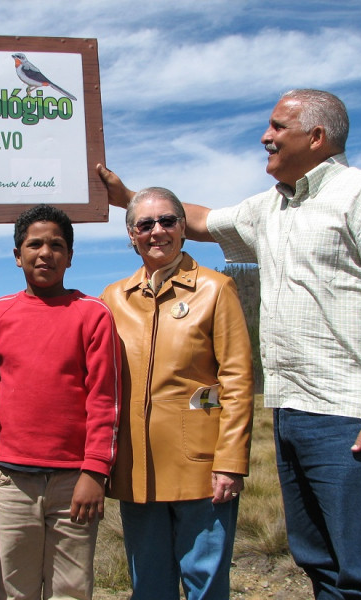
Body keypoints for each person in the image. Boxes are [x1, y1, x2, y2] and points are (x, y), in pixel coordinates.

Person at [97, 88, 361, 599]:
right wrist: (129, 197)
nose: (266, 136)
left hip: (352, 415)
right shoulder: (270, 209)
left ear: (318, 136)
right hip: (290, 412)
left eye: (278, 127)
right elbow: (197, 220)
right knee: (321, 565)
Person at [100, 186, 254, 600]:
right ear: (131, 234)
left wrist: (231, 462)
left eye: (167, 221)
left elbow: (237, 380)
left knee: (205, 586)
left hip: (203, 470)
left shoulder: (216, 289)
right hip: (136, 470)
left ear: (183, 228)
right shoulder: (112, 298)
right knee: (149, 587)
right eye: (145, 224)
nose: (157, 231)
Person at [0, 204, 121, 600]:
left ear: (70, 256)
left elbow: (105, 400)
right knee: (12, 588)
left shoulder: (93, 316)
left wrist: (95, 472)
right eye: (34, 244)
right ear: (17, 254)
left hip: (74, 481)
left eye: (56, 245)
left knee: (70, 590)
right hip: (11, 481)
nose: (45, 253)